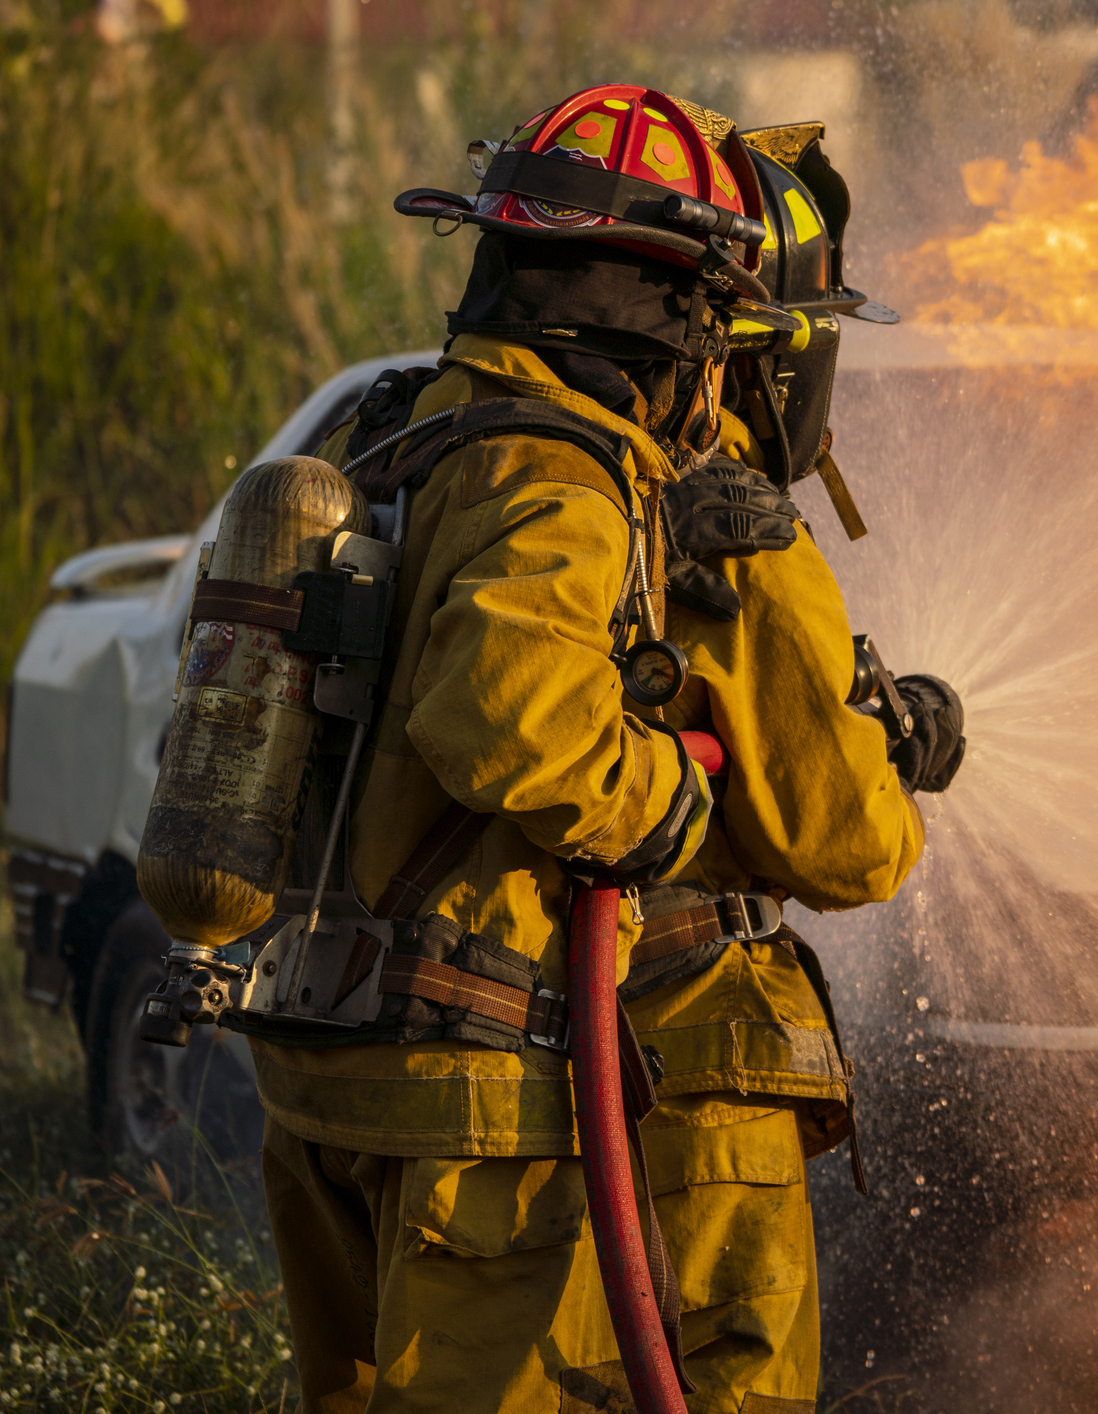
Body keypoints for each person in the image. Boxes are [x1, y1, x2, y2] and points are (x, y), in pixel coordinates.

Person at [248, 83, 964, 1413]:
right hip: (514, 1126)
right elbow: (841, 839)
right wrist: (683, 809)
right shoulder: (668, 502)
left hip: (340, 1087)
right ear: (735, 326)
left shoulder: (417, 438)